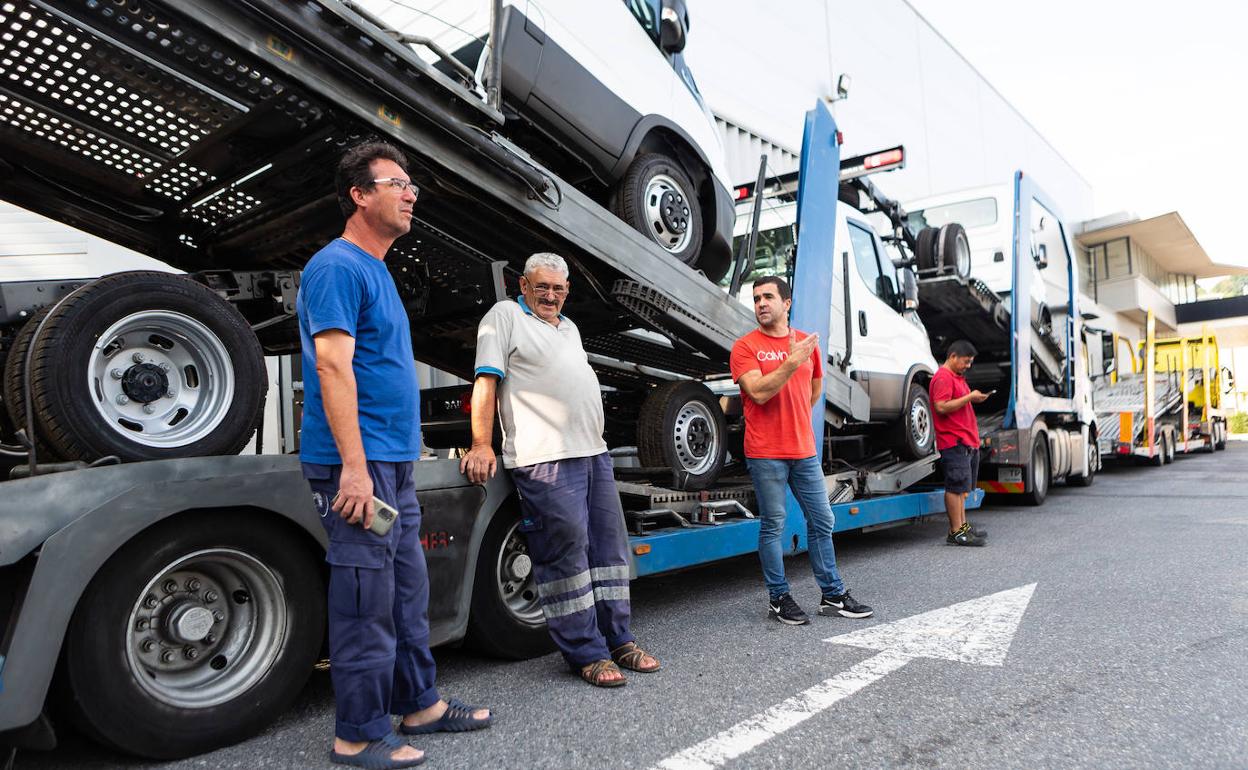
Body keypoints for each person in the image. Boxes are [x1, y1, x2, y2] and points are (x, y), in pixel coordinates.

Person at [298, 141, 491, 769]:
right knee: (365, 598)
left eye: (412, 186)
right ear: (359, 194)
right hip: (360, 464)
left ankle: (419, 704)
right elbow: (332, 365)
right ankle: (356, 733)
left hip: (393, 462)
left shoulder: (377, 268)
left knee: (406, 589)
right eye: (397, 184)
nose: (411, 194)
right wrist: (354, 467)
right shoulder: (337, 266)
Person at [460, 252, 660, 687]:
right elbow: (486, 382)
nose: (550, 295)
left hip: (592, 452)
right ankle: (585, 653)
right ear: (524, 287)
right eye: (542, 287)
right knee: (564, 553)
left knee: (608, 552)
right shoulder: (505, 316)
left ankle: (619, 640)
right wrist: (481, 443)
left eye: (558, 288)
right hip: (543, 456)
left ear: (567, 292)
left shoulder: (568, 328)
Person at [729, 275, 874, 626]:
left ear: (787, 303)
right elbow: (759, 392)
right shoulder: (745, 347)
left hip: (803, 450)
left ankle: (832, 595)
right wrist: (791, 362)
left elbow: (813, 392)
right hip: (765, 452)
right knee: (774, 525)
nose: (761, 303)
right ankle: (779, 598)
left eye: (767, 297)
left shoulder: (807, 346)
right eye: (756, 298)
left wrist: (793, 409)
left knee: (823, 519)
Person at [930, 339, 990, 547]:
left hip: (964, 442)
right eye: (966, 361)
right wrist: (969, 397)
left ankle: (960, 528)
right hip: (953, 441)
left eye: (970, 362)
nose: (968, 366)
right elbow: (941, 407)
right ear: (953, 356)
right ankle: (956, 532)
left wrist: (973, 398)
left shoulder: (956, 377)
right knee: (955, 487)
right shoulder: (943, 378)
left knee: (962, 488)